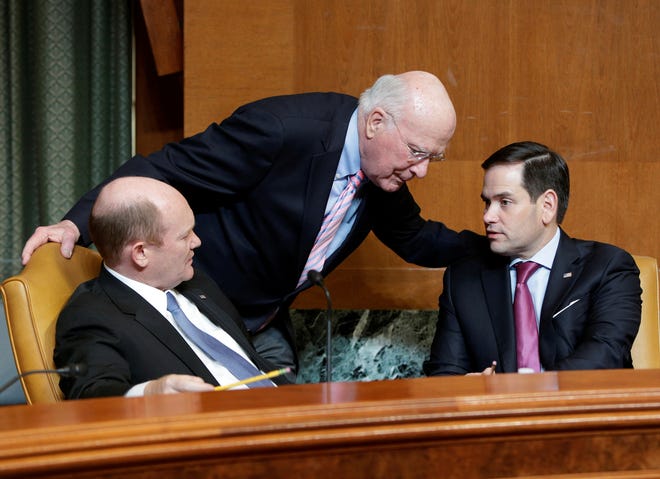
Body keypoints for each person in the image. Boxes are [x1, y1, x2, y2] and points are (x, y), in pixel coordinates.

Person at [23, 71, 478, 374]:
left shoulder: (384, 173)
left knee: (281, 424)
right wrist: (74, 225)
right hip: (195, 306)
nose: (422, 170)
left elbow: (416, 238)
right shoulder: (282, 129)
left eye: (433, 157)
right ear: (376, 122)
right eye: (418, 152)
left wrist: (504, 243)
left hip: (266, 319)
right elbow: (168, 169)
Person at [54, 177, 293, 398]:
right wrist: (150, 393)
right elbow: (92, 393)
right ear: (141, 253)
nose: (196, 241)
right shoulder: (91, 314)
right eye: (184, 235)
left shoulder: (196, 282)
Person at [423, 141, 642, 376]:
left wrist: (522, 392)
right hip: (496, 412)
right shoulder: (464, 279)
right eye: (487, 202)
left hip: (579, 409)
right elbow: (445, 372)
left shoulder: (607, 267)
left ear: (547, 206)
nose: (488, 216)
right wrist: (471, 388)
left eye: (504, 202)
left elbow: (605, 354)